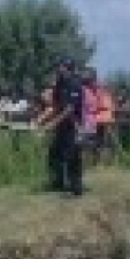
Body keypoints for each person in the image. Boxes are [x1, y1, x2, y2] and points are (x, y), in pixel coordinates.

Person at [36, 57, 85, 196]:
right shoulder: (59, 84)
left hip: (73, 126)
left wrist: (52, 124)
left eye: (60, 66)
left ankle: (75, 188)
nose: (58, 69)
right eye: (58, 66)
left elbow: (69, 110)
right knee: (54, 155)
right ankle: (58, 183)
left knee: (72, 157)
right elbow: (56, 106)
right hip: (61, 126)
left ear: (67, 68)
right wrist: (41, 120)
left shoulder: (75, 84)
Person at [115, 88, 130, 153]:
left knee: (127, 143)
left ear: (127, 94)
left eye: (124, 93)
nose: (122, 94)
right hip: (119, 126)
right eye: (121, 93)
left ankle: (127, 156)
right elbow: (112, 113)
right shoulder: (116, 103)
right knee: (119, 143)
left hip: (127, 126)